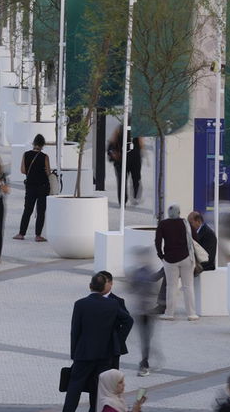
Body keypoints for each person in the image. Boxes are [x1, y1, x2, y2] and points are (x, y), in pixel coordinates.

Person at [63, 274, 134, 412]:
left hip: (83, 353)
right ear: (103, 289)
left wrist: (74, 353)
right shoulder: (112, 304)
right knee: (100, 387)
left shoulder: (80, 304)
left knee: (75, 386)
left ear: (90, 286)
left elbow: (75, 331)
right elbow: (128, 321)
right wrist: (117, 341)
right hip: (105, 354)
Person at [155, 204, 198, 321]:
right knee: (188, 286)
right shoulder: (186, 223)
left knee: (171, 287)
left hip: (170, 259)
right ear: (179, 212)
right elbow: (195, 238)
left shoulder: (163, 224)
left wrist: (161, 255)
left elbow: (157, 241)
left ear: (169, 213)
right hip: (186, 258)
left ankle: (169, 313)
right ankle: (191, 314)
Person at [126, 248, 160, 377]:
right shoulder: (148, 273)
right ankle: (145, 361)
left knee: (145, 337)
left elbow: (132, 289)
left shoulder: (142, 273)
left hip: (145, 311)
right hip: (144, 310)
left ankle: (145, 363)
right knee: (145, 337)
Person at [15, 135, 51, 242]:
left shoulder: (25, 155)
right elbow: (48, 172)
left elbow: (22, 170)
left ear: (34, 143)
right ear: (43, 145)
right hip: (43, 187)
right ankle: (38, 235)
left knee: (27, 210)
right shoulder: (45, 157)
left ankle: (21, 233)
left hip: (30, 186)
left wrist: (32, 174)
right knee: (40, 211)